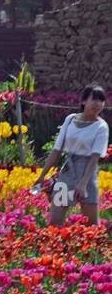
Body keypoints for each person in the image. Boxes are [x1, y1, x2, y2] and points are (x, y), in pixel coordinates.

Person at [33, 85, 108, 228]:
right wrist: (42, 175)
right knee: (55, 222)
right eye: (94, 99)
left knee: (92, 225)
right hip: (67, 173)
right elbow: (57, 150)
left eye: (101, 101)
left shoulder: (101, 127)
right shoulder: (70, 120)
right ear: (84, 101)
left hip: (87, 175)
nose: (98, 104)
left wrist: (83, 183)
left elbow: (94, 158)